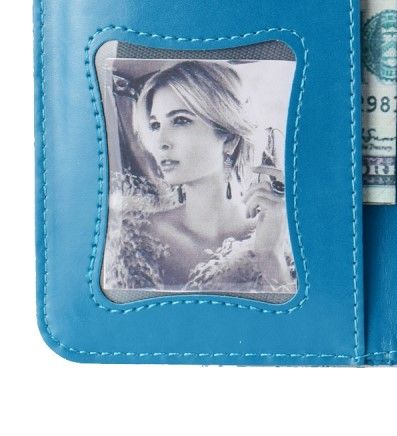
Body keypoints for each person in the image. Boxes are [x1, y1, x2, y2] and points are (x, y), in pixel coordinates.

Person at [102, 60, 296, 300]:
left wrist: (270, 256)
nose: (160, 141)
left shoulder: (281, 235)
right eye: (155, 125)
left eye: (180, 120)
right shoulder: (130, 236)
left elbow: (303, 321)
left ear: (229, 139)